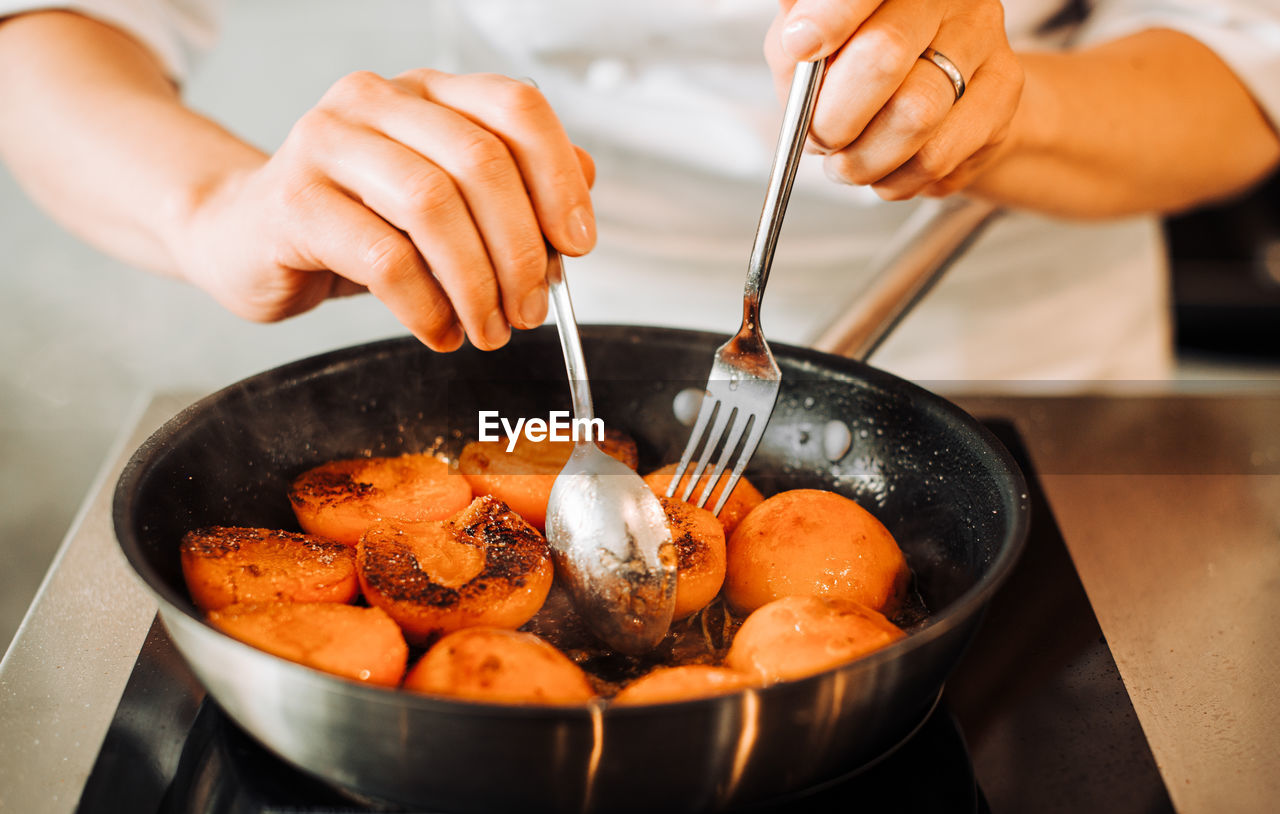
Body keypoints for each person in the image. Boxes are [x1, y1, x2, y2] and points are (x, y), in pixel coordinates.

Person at [0, 1, 1277, 382]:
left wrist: (1011, 109)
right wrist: (210, 207)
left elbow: (1244, 66)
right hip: (561, 342)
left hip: (1026, 369)